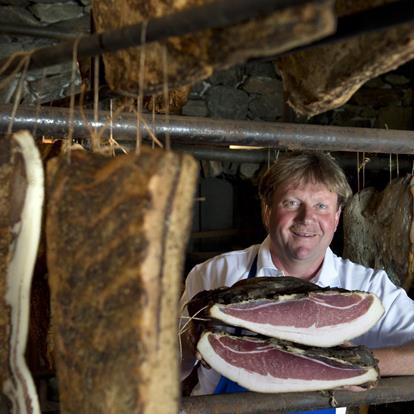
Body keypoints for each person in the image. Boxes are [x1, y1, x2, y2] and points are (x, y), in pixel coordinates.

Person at [180, 152, 414, 405]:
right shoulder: (212, 273)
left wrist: (358, 363)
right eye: (291, 203)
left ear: (337, 217)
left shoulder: (367, 286)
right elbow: (173, 363)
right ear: (267, 211)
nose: (306, 218)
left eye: (321, 206)